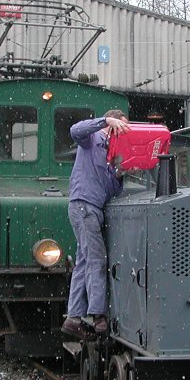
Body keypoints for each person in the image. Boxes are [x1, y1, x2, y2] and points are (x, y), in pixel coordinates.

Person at [61, 110, 130, 339]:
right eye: (121, 127)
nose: (123, 132)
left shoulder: (111, 151)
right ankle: (98, 315)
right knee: (96, 260)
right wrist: (104, 122)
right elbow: (75, 130)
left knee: (84, 261)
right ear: (112, 124)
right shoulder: (92, 139)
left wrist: (120, 173)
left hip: (90, 208)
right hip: (85, 206)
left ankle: (73, 318)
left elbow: (109, 190)